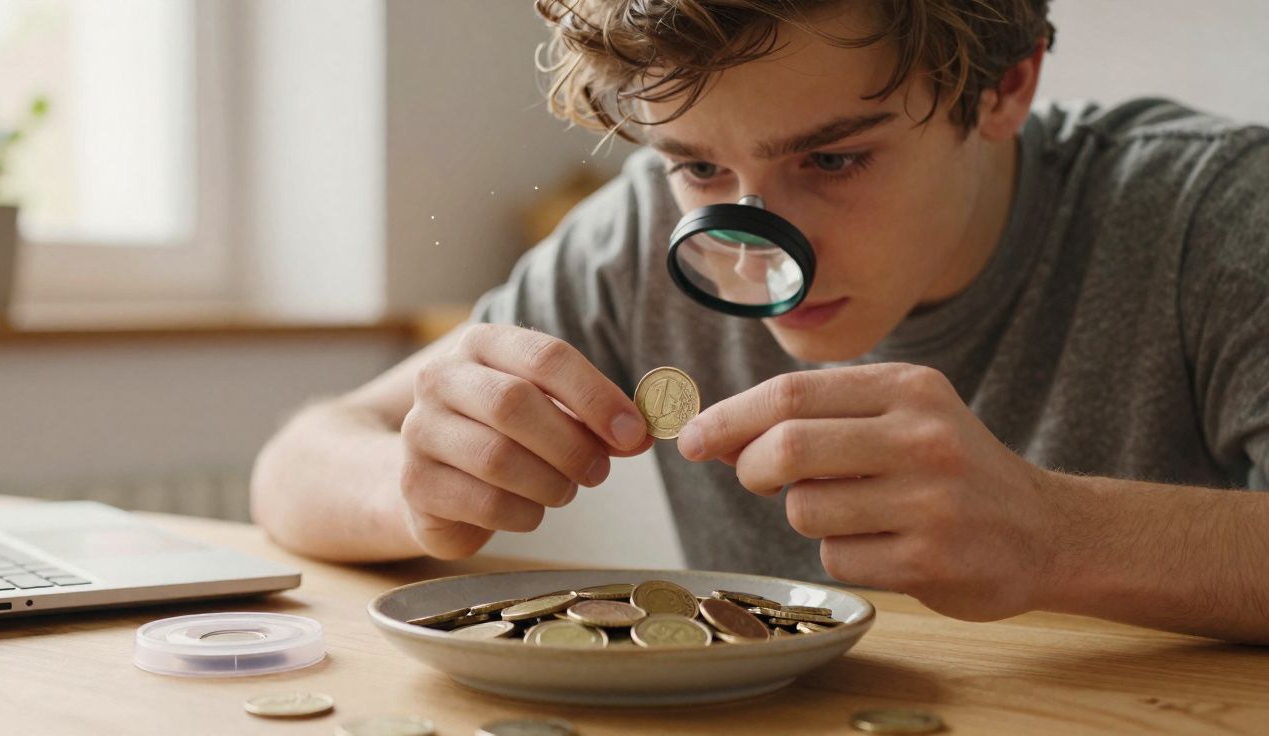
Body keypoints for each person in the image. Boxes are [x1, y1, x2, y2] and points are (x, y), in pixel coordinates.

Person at [249, 0, 1269, 644]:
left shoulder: (1219, 217)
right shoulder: (633, 236)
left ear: (1003, 86)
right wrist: (417, 486)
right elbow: (294, 466)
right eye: (698, 164)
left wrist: (1055, 534)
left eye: (832, 160)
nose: (757, 246)